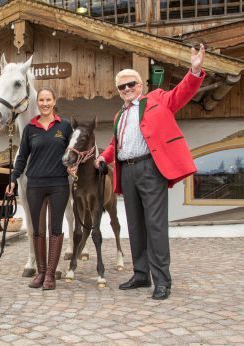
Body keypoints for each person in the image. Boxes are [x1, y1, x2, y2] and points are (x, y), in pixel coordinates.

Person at [95, 44, 206, 300]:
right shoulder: (118, 116)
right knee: (135, 225)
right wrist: (103, 156)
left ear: (140, 85)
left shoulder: (157, 99)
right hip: (127, 172)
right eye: (122, 87)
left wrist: (195, 70)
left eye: (131, 84)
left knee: (155, 225)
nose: (127, 89)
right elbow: (115, 145)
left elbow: (182, 92)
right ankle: (141, 274)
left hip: (150, 169)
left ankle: (162, 280)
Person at [6, 88, 72, 290]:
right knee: (38, 229)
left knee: (55, 228)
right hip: (35, 184)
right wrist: (13, 178)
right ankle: (41, 272)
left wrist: (74, 165)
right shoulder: (30, 129)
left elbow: (73, 152)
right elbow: (22, 156)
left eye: (48, 100)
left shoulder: (65, 126)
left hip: (59, 184)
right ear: (37, 102)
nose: (44, 103)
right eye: (41, 100)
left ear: (54, 101)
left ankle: (51, 274)